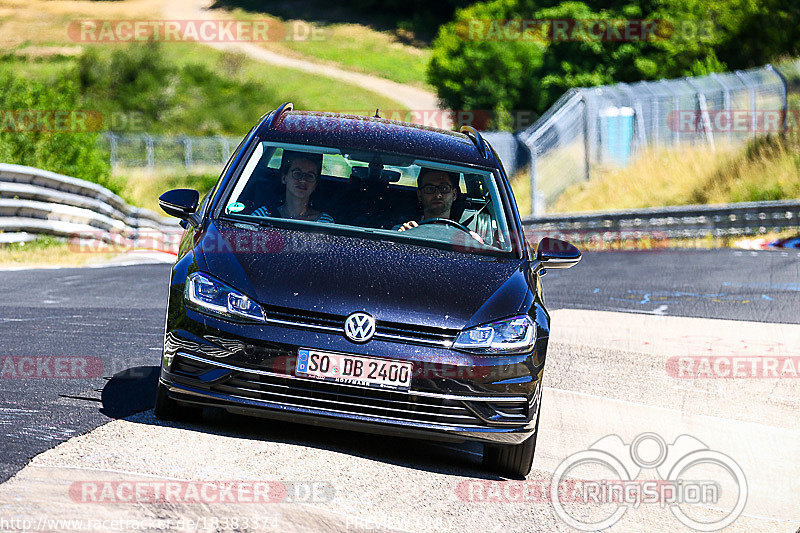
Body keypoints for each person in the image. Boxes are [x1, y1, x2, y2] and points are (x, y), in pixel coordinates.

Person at [252, 151, 333, 223]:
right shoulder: (262, 215)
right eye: (297, 174)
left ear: (315, 184)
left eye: (309, 176)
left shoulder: (325, 222)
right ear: (284, 178)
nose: (303, 180)